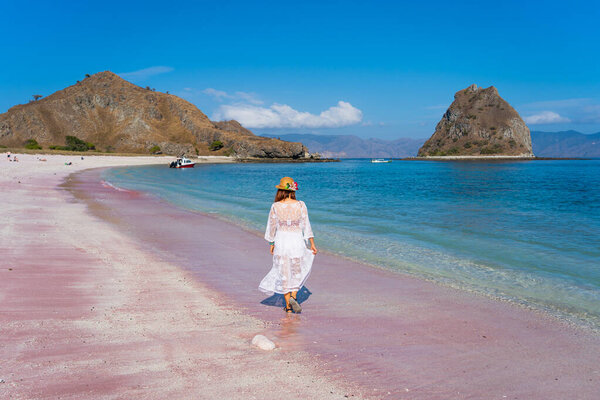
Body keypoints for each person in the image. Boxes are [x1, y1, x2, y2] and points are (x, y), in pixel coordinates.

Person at [260, 177, 318, 313]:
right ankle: (293, 297)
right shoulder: (301, 205)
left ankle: (288, 306)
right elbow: (306, 226)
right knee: (296, 271)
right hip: (297, 240)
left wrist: (271, 243)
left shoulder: (275, 206)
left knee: (284, 272)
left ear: (280, 190)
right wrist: (312, 244)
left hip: (282, 241)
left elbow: (271, 227)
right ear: (293, 190)